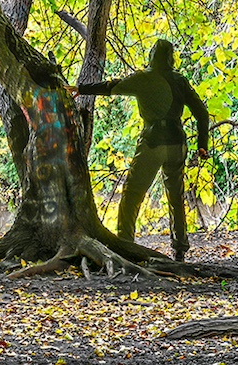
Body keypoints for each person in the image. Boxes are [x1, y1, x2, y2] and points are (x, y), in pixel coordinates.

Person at [77, 39, 210, 262]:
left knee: (132, 194)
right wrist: (202, 145)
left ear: (151, 56)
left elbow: (111, 86)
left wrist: (81, 89)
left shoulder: (143, 79)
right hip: (177, 143)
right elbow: (202, 112)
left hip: (152, 143)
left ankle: (126, 245)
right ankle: (179, 249)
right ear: (171, 58)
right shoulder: (179, 81)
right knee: (175, 196)